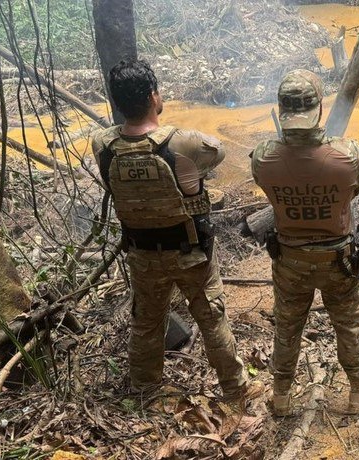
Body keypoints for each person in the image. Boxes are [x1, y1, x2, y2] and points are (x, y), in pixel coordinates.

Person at [92, 58, 259, 402]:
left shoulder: (103, 145)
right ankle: (236, 388)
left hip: (142, 254)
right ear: (154, 96)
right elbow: (220, 152)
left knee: (146, 323)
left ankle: (144, 389)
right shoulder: (183, 142)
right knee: (212, 318)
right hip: (190, 253)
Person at [251, 69, 359, 416]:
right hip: (339, 260)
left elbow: (267, 183)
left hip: (290, 260)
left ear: (281, 110)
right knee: (348, 323)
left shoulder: (263, 158)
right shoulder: (347, 156)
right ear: (319, 109)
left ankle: (280, 397)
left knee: (288, 327)